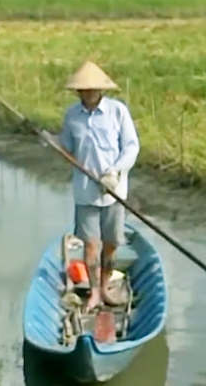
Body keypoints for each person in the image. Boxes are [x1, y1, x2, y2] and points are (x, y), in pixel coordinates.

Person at [56, 60, 140, 312]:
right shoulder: (72, 116)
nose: (88, 93)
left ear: (101, 91)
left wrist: (114, 172)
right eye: (83, 90)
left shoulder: (117, 112)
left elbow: (131, 147)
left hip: (114, 192)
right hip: (85, 192)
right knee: (91, 245)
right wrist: (51, 142)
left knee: (112, 243)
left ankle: (105, 287)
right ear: (78, 92)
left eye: (93, 89)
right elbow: (66, 148)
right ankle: (93, 293)